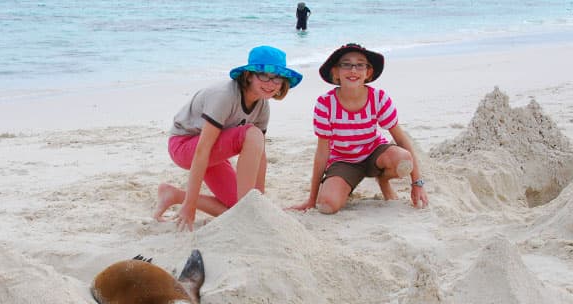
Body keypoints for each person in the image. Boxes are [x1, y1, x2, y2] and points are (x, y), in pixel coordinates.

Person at [153, 46, 303, 231]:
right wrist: (189, 206)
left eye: (277, 78)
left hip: (213, 151)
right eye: (264, 75)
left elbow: (260, 154)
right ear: (249, 75)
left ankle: (173, 195)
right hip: (184, 145)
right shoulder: (225, 95)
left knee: (240, 208)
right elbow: (202, 150)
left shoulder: (262, 106)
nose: (271, 83)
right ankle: (242, 205)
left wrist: (259, 200)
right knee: (252, 134)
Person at [291, 43, 428, 214]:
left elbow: (400, 139)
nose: (353, 70)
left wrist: (417, 183)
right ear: (336, 72)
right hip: (343, 160)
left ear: (368, 72)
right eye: (346, 64)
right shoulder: (325, 103)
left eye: (360, 65)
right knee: (327, 206)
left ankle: (383, 180)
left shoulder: (379, 98)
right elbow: (322, 152)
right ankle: (345, 185)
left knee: (403, 159)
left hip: (374, 154)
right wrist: (312, 199)